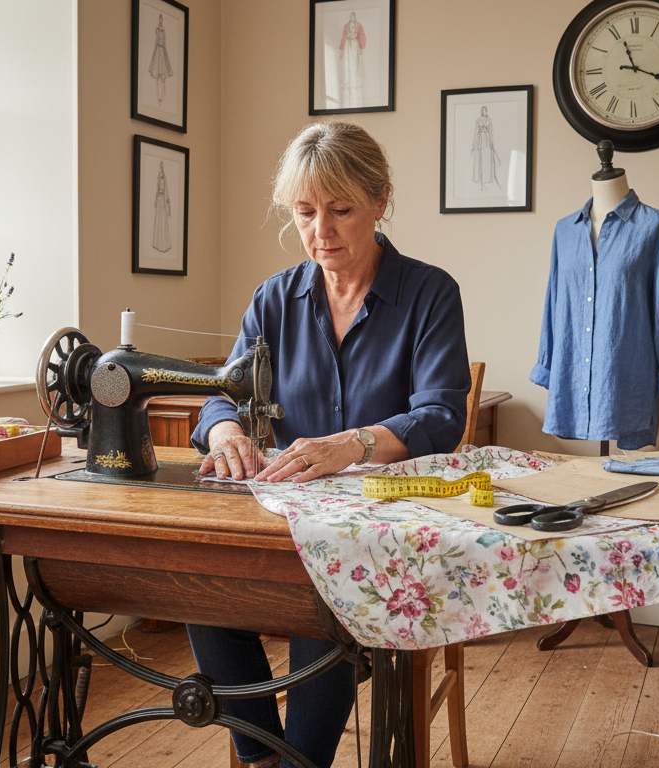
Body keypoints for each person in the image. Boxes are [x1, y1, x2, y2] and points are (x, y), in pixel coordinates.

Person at [188, 121, 471, 768]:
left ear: (381, 200)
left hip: (384, 528)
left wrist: (353, 444)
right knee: (198, 587)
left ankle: (294, 763)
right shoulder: (274, 299)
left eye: (341, 210)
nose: (322, 231)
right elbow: (221, 393)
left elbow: (442, 417)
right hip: (288, 520)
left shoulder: (429, 294)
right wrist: (226, 427)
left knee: (325, 601)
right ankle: (262, 753)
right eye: (305, 213)